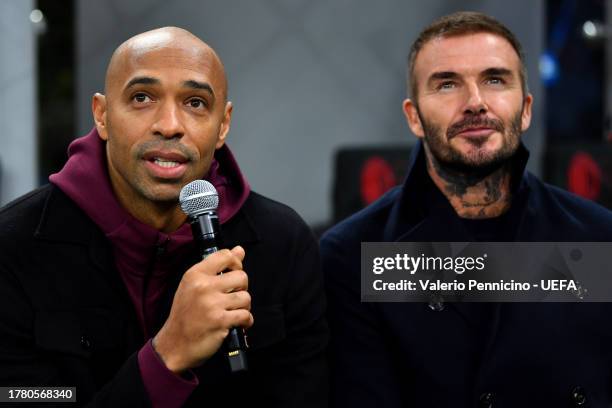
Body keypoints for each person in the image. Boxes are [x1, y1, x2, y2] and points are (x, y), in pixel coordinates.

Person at [0, 27, 328, 407]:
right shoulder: (14, 247)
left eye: (195, 103)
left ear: (223, 124)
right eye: (142, 98)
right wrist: (167, 357)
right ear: (102, 115)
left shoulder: (284, 244)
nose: (170, 124)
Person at [321, 11, 612, 408]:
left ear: (525, 109)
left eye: (494, 79)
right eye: (447, 84)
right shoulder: (352, 254)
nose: (475, 103)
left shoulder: (598, 238)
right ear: (414, 117)